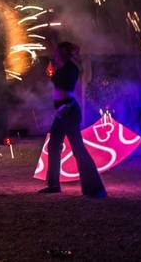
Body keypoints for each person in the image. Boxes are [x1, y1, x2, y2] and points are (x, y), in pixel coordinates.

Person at [39, 41, 107, 198]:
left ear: (62, 54)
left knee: (78, 148)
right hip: (61, 112)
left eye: (57, 52)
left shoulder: (71, 69)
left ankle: (95, 188)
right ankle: (54, 184)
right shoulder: (61, 68)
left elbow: (67, 90)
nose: (54, 54)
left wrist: (63, 107)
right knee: (54, 145)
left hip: (68, 110)